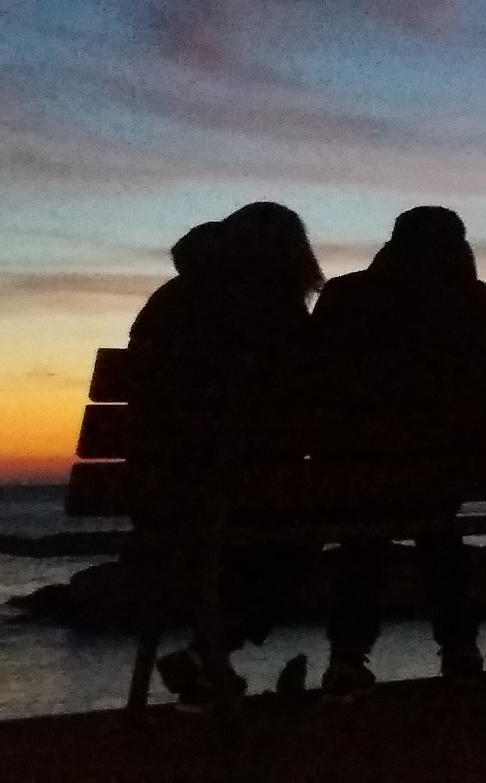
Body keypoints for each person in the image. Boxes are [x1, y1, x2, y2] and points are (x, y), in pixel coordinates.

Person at [309, 206, 486, 691]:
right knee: (437, 524)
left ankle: (347, 656)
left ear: (393, 242)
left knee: (363, 532)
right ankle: (460, 646)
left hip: (360, 466)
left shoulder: (346, 297)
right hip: (450, 470)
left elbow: (311, 386)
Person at [126, 202, 323, 704]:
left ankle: (207, 660)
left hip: (158, 485)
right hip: (237, 486)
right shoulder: (274, 304)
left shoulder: (173, 297)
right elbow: (293, 407)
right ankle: (207, 655)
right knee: (296, 535)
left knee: (257, 532)